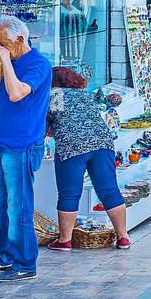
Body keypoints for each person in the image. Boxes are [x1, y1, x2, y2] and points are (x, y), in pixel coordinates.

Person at [0, 16, 52, 283]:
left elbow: (16, 93)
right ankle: (5, 257)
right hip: (5, 145)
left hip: (22, 147)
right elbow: (5, 107)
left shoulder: (38, 65)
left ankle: (25, 263)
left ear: (20, 39)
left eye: (2, 44)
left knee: (19, 206)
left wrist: (6, 61)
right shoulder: (12, 62)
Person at [46, 66, 130, 251]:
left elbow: (44, 128)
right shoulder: (83, 94)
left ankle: (64, 241)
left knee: (69, 193)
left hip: (72, 148)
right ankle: (123, 237)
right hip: (102, 144)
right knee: (109, 191)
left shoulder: (51, 96)